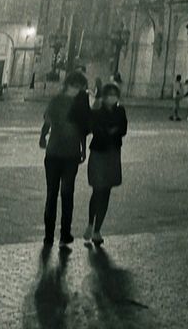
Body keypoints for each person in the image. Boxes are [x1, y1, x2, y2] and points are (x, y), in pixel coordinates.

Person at [39, 70, 91, 247]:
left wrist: (43, 137)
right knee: (66, 194)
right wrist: (83, 150)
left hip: (55, 153)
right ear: (72, 85)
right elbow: (83, 129)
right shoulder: (79, 104)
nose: (79, 91)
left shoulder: (56, 101)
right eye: (78, 87)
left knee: (52, 194)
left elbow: (47, 122)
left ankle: (49, 236)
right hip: (68, 154)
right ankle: (64, 234)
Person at [84, 82, 128, 246]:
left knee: (106, 191)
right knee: (97, 190)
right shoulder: (97, 110)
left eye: (114, 94)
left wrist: (112, 130)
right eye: (109, 94)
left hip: (113, 153)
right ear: (104, 96)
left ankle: (97, 230)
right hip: (99, 152)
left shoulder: (120, 110)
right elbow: (93, 127)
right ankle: (90, 223)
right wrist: (110, 130)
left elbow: (123, 128)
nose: (112, 97)